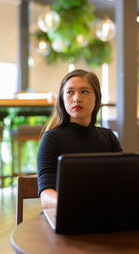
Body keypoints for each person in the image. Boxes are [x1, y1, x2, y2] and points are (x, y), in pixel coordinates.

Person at [37, 69, 122, 209]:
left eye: (84, 91)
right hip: (64, 214)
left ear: (97, 99)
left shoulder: (109, 137)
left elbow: (121, 184)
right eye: (70, 92)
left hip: (103, 215)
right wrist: (76, 206)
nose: (76, 98)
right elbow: (46, 196)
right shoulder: (51, 138)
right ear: (62, 100)